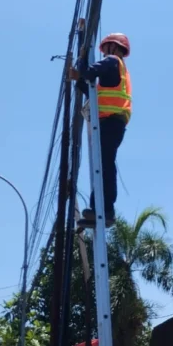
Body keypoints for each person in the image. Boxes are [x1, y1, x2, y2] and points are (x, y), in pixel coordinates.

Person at [68, 32, 132, 227]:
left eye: (105, 49)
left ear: (114, 47)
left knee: (104, 165)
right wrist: (80, 79)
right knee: (101, 165)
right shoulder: (115, 70)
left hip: (112, 121)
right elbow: (92, 90)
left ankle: (106, 210)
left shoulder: (113, 61)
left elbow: (89, 73)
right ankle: (97, 210)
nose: (104, 53)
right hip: (111, 122)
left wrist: (81, 65)